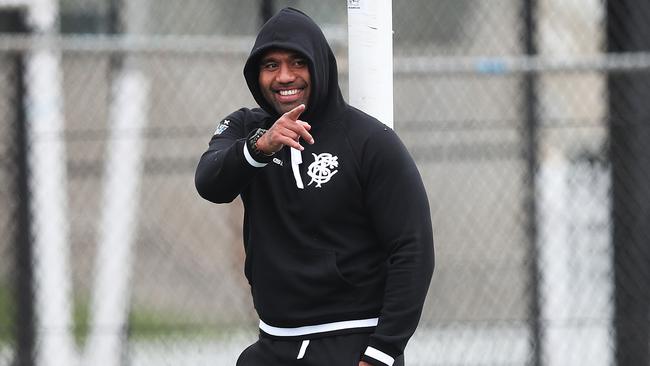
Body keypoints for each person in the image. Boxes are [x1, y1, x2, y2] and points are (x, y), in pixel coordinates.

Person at [195, 7, 434, 366]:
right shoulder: (246, 129)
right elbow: (210, 182)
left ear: (319, 66)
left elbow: (412, 251)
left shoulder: (369, 141)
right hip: (273, 344)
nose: (284, 76)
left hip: (350, 343)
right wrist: (262, 146)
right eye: (271, 65)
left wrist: (382, 352)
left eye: (297, 63)